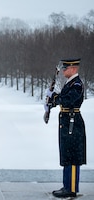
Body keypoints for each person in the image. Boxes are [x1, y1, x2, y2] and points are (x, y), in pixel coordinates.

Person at [45, 58, 86, 198]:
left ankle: (72, 189)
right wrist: (52, 100)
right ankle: (66, 185)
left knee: (73, 155)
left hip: (72, 122)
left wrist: (55, 98)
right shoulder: (70, 83)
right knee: (67, 154)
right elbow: (62, 98)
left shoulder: (77, 84)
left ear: (74, 69)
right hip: (67, 122)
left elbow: (68, 100)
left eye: (66, 68)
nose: (63, 71)